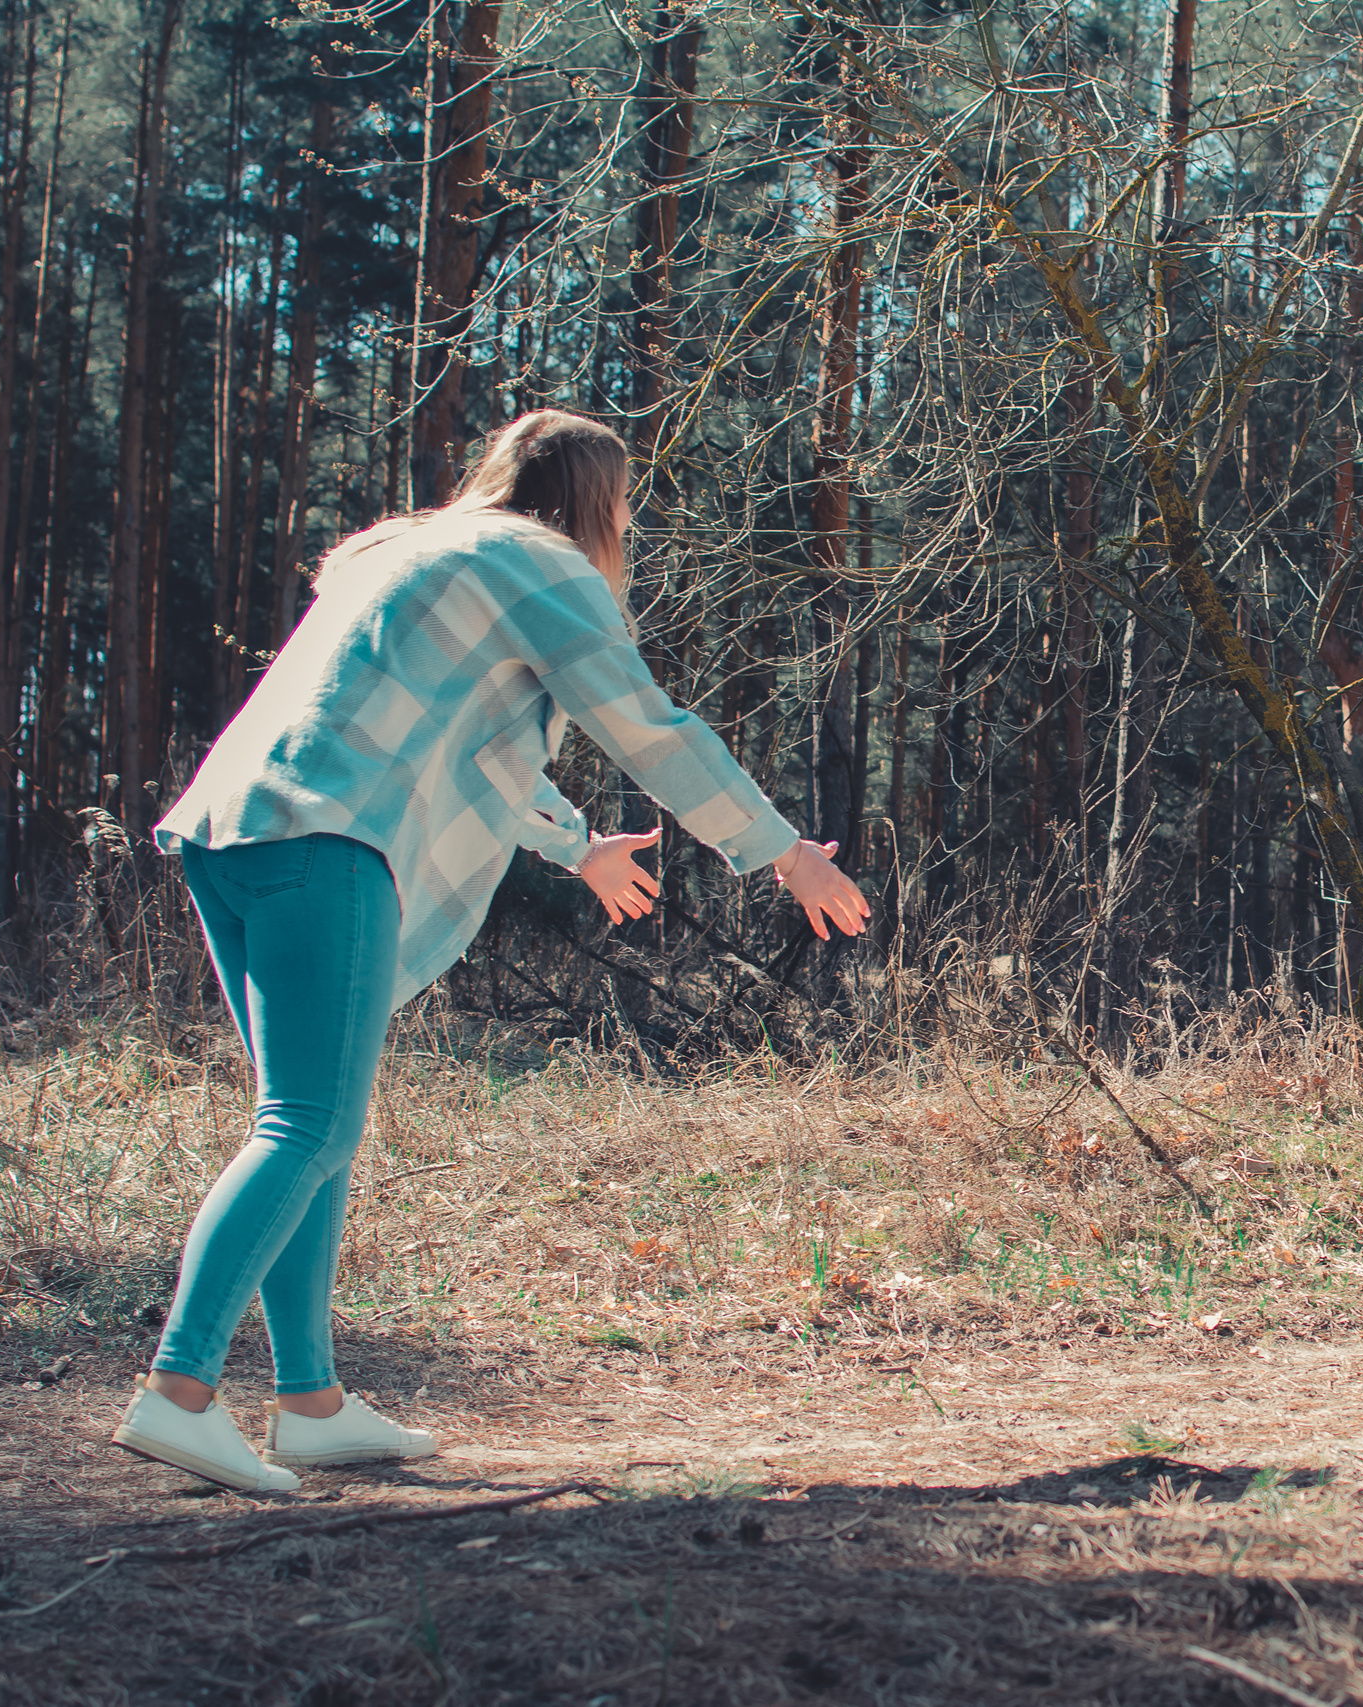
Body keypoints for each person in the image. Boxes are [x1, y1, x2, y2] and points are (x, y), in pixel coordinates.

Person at [112, 409, 870, 1491]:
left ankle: (311, 1401)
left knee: (314, 1125)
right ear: (599, 505)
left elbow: (456, 740)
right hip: (329, 838)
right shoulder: (544, 565)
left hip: (235, 831)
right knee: (307, 1123)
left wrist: (578, 847)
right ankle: (178, 1391)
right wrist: (783, 852)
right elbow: (646, 726)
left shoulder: (401, 554)